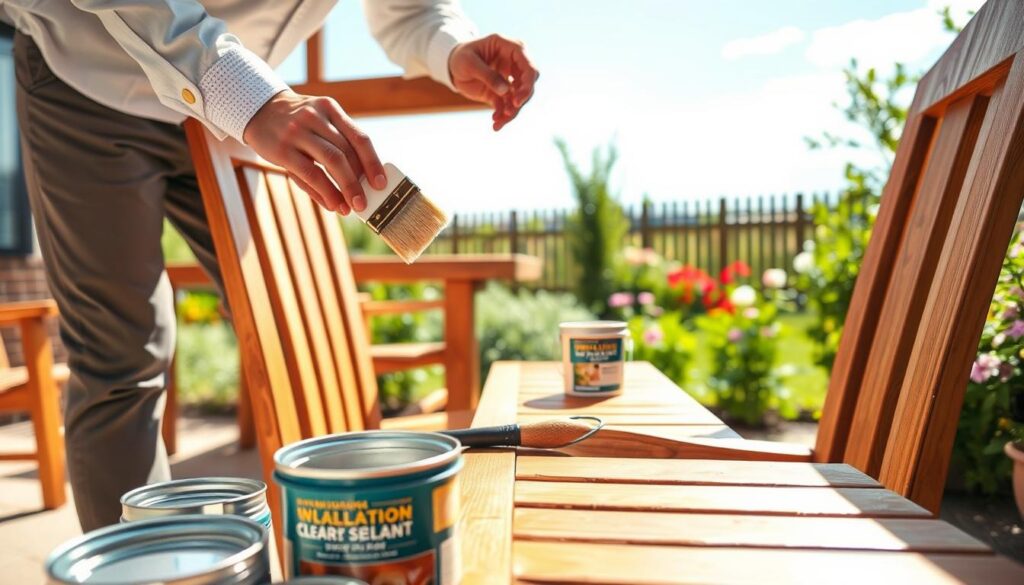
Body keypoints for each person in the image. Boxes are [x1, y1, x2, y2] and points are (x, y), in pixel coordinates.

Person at [2, 0, 538, 531]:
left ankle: (343, 545)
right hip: (89, 76)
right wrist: (251, 98)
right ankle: (139, 564)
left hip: (232, 100)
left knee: (300, 332)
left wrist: (450, 46)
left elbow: (407, 10)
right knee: (120, 357)